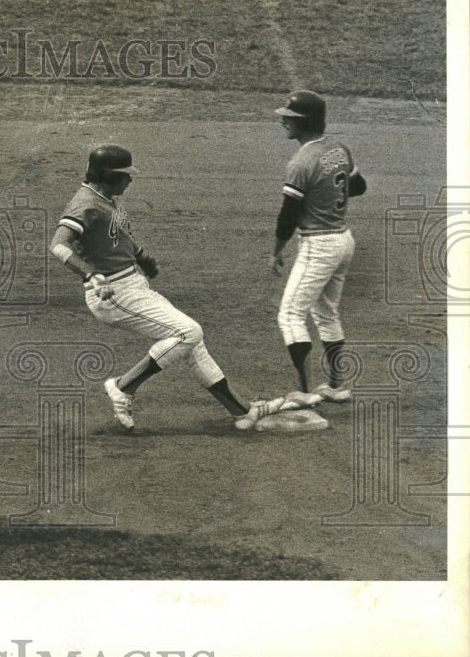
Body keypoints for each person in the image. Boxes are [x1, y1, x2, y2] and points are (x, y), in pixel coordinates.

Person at [50, 145, 264, 431]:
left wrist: (141, 257)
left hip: (133, 285)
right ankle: (123, 386)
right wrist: (92, 275)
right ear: (107, 175)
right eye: (125, 175)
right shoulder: (85, 203)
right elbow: (58, 245)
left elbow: (117, 235)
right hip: (113, 293)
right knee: (188, 332)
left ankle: (241, 412)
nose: (130, 180)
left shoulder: (105, 198)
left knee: (191, 343)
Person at [271, 90, 366, 400]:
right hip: (343, 241)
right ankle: (337, 387)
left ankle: (303, 391)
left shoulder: (302, 161)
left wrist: (276, 252)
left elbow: (288, 215)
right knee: (326, 313)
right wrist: (326, 196)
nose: (283, 120)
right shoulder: (338, 148)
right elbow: (359, 186)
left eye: (290, 117)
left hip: (319, 245)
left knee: (290, 315)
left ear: (306, 121)